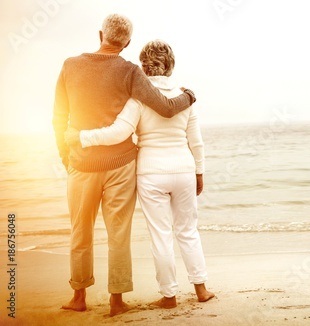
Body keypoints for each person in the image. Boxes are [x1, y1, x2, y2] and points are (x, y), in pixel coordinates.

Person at [52, 13, 197, 316]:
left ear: (100, 34)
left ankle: (79, 297)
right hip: (121, 165)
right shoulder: (131, 72)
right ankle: (117, 301)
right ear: (128, 42)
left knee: (81, 232)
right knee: (119, 234)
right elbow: (166, 107)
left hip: (82, 164)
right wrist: (190, 97)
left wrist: (68, 158)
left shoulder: (69, 66)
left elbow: (58, 119)